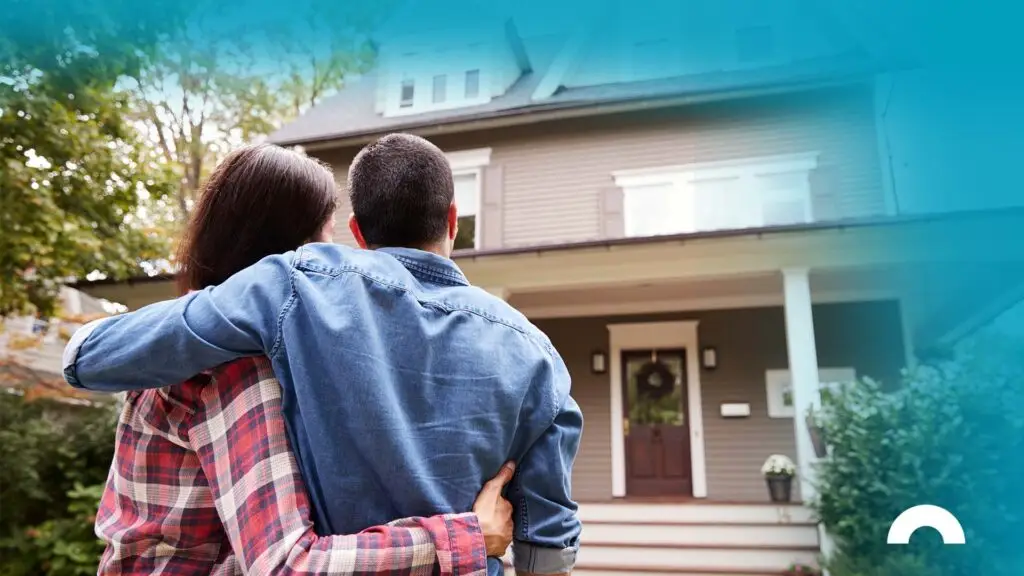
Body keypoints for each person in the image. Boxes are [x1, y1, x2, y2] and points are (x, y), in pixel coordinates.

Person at [64, 134, 583, 576]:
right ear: (454, 219)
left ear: (358, 232)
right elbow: (549, 534)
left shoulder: (290, 291)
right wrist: (477, 539)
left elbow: (89, 359)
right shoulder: (537, 353)